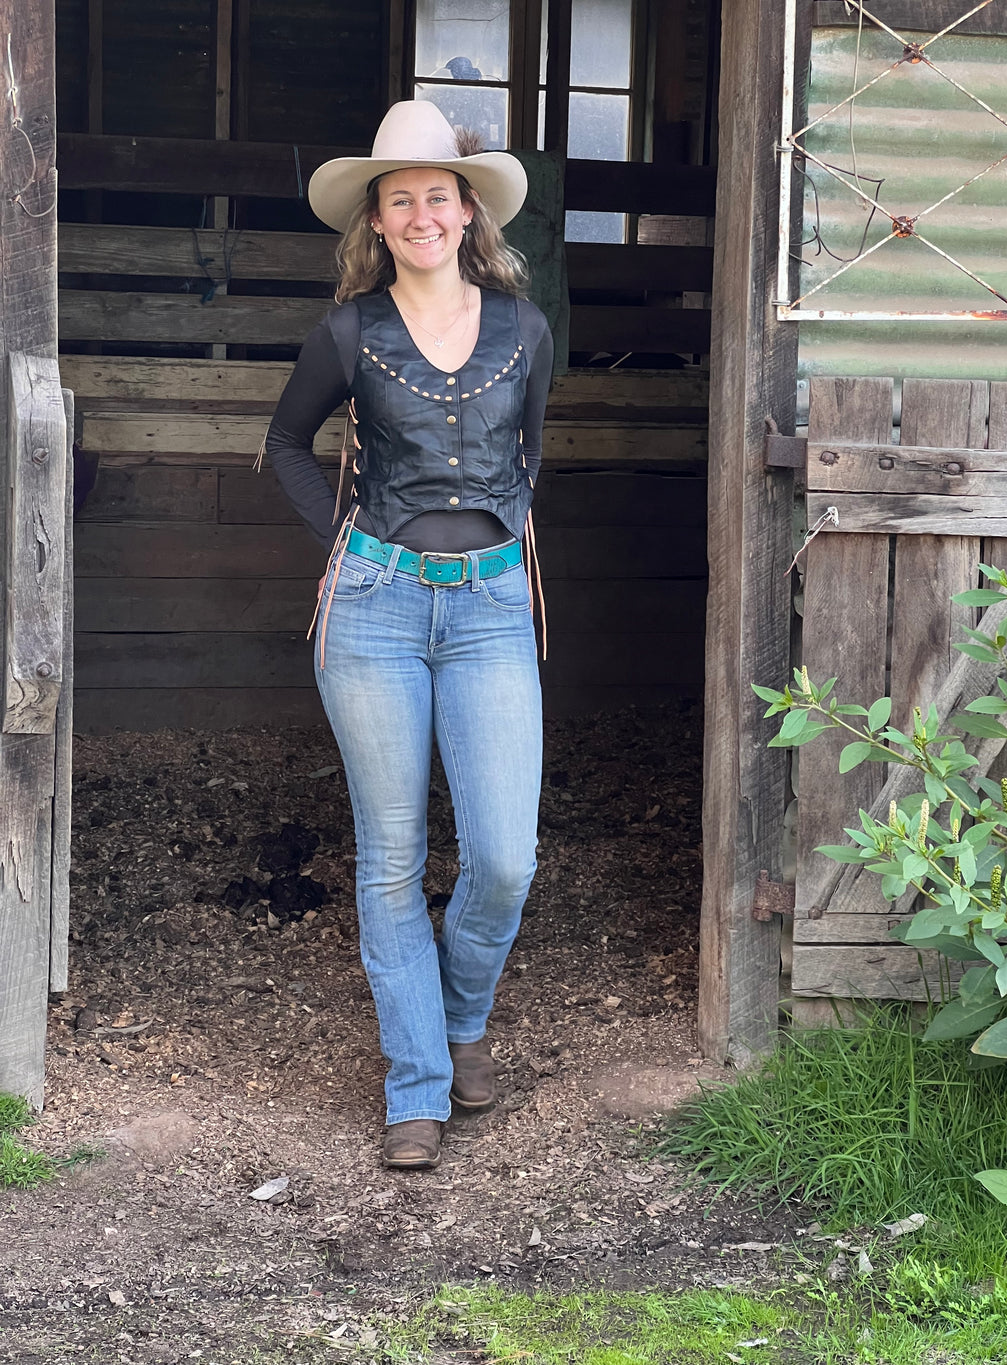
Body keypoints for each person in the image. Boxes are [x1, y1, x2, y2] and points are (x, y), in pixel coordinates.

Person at [264, 101, 553, 1171]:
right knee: (390, 858)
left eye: (439, 195)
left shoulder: (525, 328)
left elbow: (528, 456)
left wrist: (499, 543)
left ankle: (461, 1017)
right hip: (375, 607)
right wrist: (345, 546)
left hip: (489, 608)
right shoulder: (348, 333)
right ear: (377, 221)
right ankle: (418, 1083)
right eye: (400, 200)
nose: (422, 214)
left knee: (504, 858)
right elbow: (285, 443)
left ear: (468, 210)